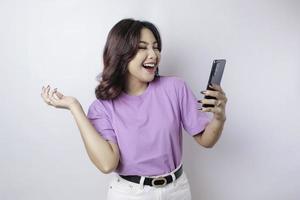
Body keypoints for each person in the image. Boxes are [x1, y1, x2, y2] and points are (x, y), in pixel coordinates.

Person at [40, 18, 227, 200]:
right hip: (130, 194)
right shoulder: (102, 108)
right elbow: (107, 164)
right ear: (122, 54)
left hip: (177, 190)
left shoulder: (175, 88)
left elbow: (206, 140)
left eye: (155, 47)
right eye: (142, 47)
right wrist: (75, 108)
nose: (153, 54)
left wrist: (219, 118)